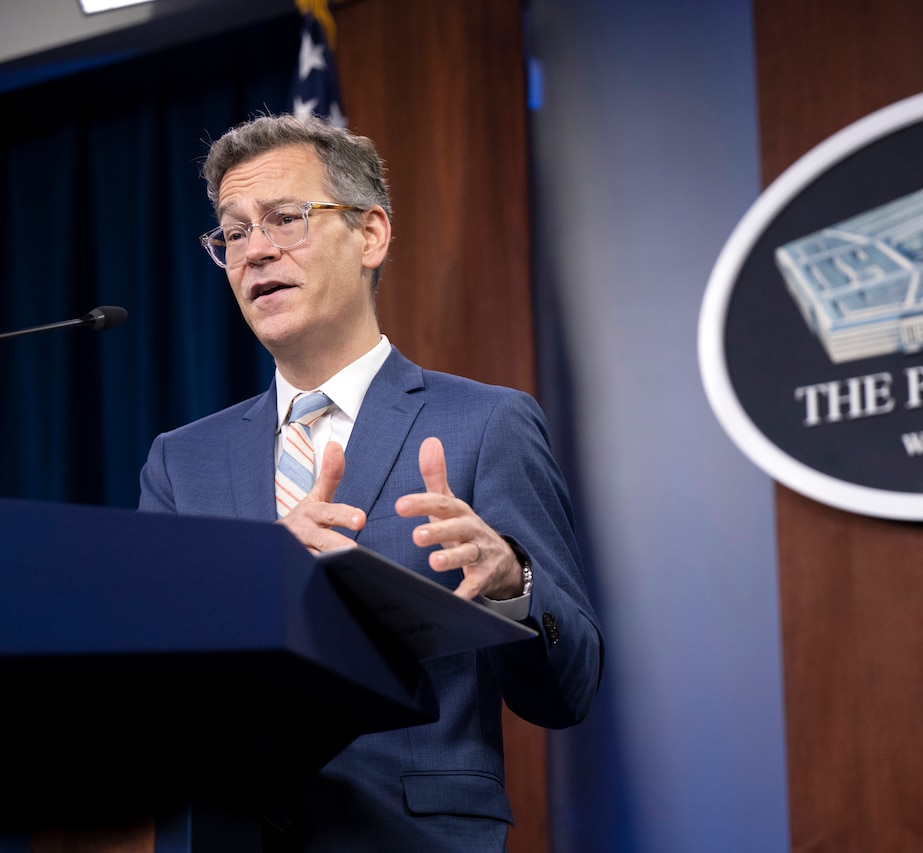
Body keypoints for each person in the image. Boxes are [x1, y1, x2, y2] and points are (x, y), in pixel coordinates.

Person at [138, 113, 603, 851]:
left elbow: (569, 689)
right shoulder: (179, 461)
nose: (255, 249)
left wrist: (514, 581)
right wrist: (258, 577)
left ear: (371, 234)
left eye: (285, 219)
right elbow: (150, 687)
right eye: (232, 231)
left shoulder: (488, 423)